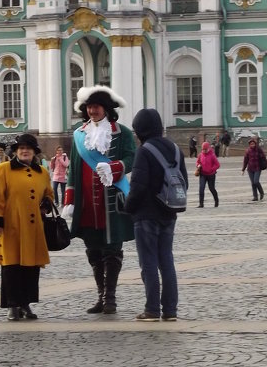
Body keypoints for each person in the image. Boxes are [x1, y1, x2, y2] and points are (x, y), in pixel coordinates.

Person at [63, 85, 136, 315]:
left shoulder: (122, 133)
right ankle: (101, 295)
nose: (93, 110)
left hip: (111, 202)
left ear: (106, 109)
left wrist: (115, 168)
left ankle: (111, 298)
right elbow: (73, 169)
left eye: (97, 106)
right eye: (90, 107)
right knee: (93, 251)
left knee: (112, 249)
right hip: (87, 205)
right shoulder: (78, 134)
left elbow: (131, 158)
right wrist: (70, 199)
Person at [124, 108, 188, 321]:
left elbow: (138, 186)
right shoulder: (176, 149)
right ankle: (170, 310)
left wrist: (128, 207)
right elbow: (183, 182)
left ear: (140, 130)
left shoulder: (144, 151)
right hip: (169, 213)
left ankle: (152, 309)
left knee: (149, 262)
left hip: (146, 215)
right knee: (166, 261)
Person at [0, 133, 54, 321]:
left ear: (34, 152)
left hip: (33, 228)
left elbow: (49, 193)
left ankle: (26, 303)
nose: (25, 151)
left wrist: (47, 204)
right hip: (11, 226)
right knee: (11, 266)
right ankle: (12, 305)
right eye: (21, 148)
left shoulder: (42, 172)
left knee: (31, 267)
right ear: (16, 151)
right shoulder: (3, 169)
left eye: (28, 148)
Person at [241, 137, 267, 202]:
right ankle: (255, 196)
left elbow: (264, 158)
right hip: (250, 169)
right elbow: (245, 161)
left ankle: (261, 192)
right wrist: (243, 169)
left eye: (253, 144)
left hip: (257, 168)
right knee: (253, 183)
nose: (252, 145)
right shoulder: (247, 151)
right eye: (251, 144)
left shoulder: (259, 150)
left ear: (255, 144)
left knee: (256, 181)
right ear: (249, 145)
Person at [196, 141, 220, 208]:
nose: (204, 151)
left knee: (211, 188)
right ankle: (201, 204)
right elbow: (197, 162)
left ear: (208, 148)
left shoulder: (212, 155)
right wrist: (198, 165)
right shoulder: (200, 155)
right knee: (201, 188)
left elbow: (217, 165)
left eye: (205, 149)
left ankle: (216, 201)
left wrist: (212, 169)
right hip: (202, 174)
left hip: (211, 175)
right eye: (203, 149)